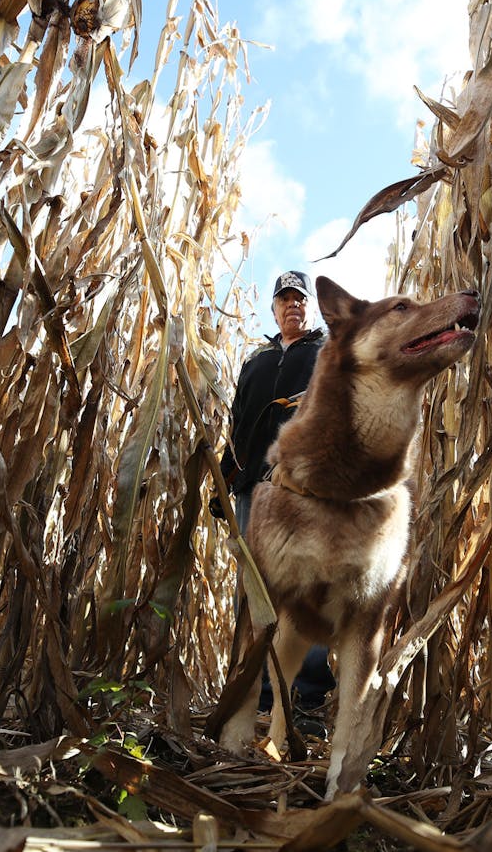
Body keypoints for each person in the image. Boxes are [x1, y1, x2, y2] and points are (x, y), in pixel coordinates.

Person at [214, 270, 335, 721]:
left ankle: (306, 699)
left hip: (303, 490)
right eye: (285, 299)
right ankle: (262, 698)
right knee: (259, 594)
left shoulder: (326, 353)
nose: (293, 306)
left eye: (300, 300)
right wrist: (226, 480)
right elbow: (240, 428)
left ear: (309, 307)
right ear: (274, 308)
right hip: (252, 492)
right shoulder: (256, 363)